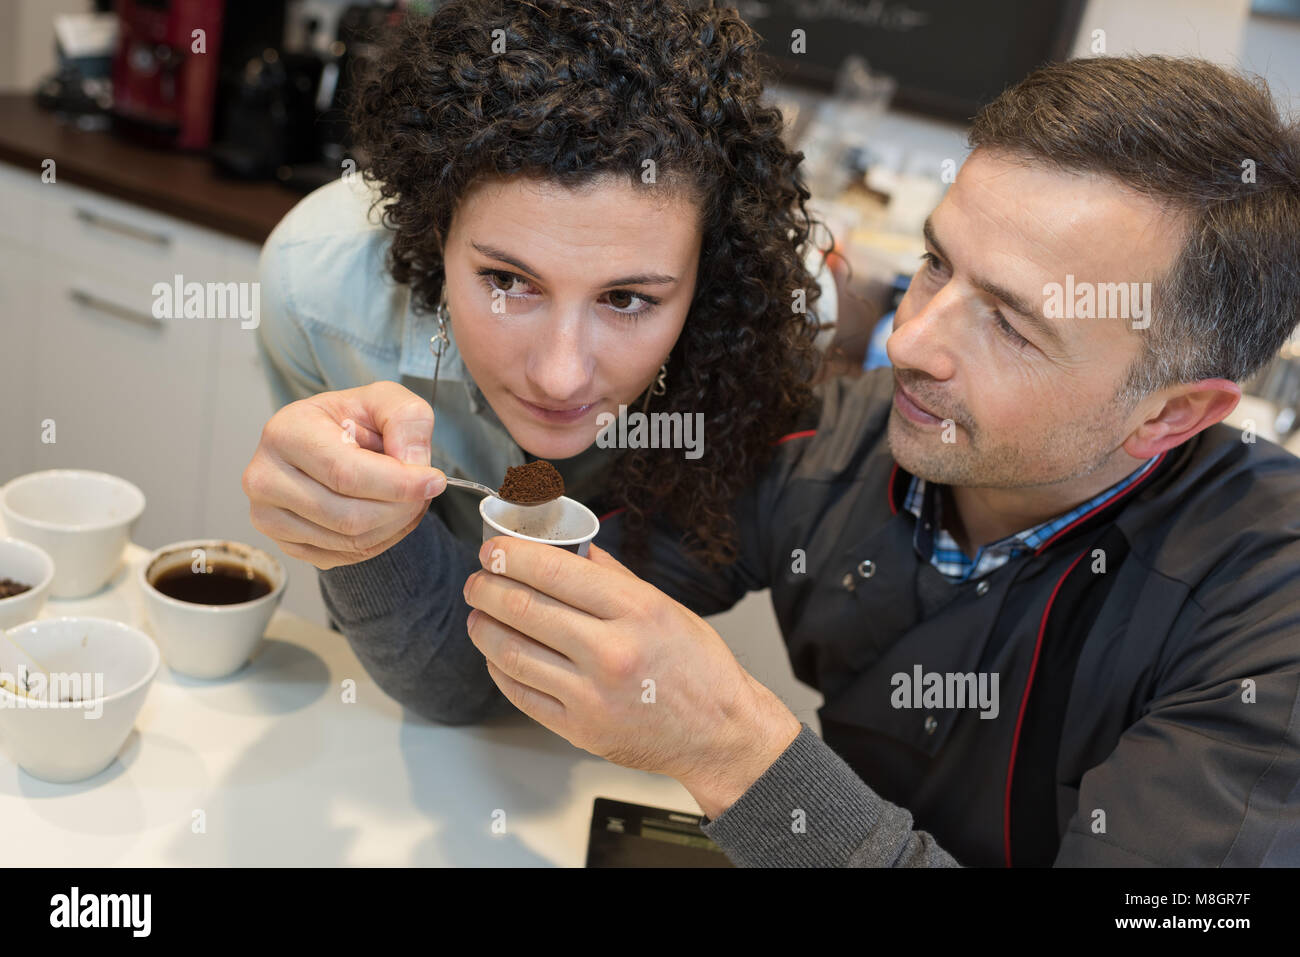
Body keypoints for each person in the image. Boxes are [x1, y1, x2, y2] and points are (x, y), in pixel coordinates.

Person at [330, 54, 1300, 866]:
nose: (911, 340)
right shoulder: (823, 445)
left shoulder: (1268, 616)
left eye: (1008, 323)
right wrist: (360, 531)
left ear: (1173, 414)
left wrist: (734, 748)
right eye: (935, 265)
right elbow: (470, 673)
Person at [242, 1, 836, 630]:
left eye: (627, 299)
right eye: (507, 281)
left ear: (709, 277)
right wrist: (331, 519)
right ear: (436, 227)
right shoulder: (314, 290)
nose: (559, 378)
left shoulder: (759, 322)